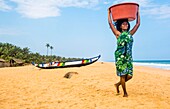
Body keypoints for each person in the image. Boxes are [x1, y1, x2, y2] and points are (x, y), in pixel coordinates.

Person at [108, 9, 140, 97]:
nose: (125, 24)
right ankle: (125, 92)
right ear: (120, 26)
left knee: (129, 76)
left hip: (128, 57)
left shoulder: (130, 33)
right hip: (120, 57)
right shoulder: (118, 34)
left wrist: (137, 12)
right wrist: (109, 13)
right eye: (123, 23)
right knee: (122, 75)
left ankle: (118, 84)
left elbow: (138, 24)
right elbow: (110, 24)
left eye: (126, 23)